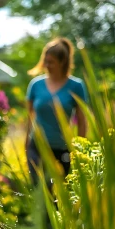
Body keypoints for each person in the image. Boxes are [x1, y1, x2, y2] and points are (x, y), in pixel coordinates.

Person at [25, 37, 88, 187]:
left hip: (62, 151)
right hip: (37, 149)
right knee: (40, 191)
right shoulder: (35, 85)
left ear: (62, 62)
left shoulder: (76, 86)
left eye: (51, 62)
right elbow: (30, 116)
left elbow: (82, 121)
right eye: (45, 61)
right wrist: (26, 145)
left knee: (58, 195)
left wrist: (79, 151)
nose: (47, 65)